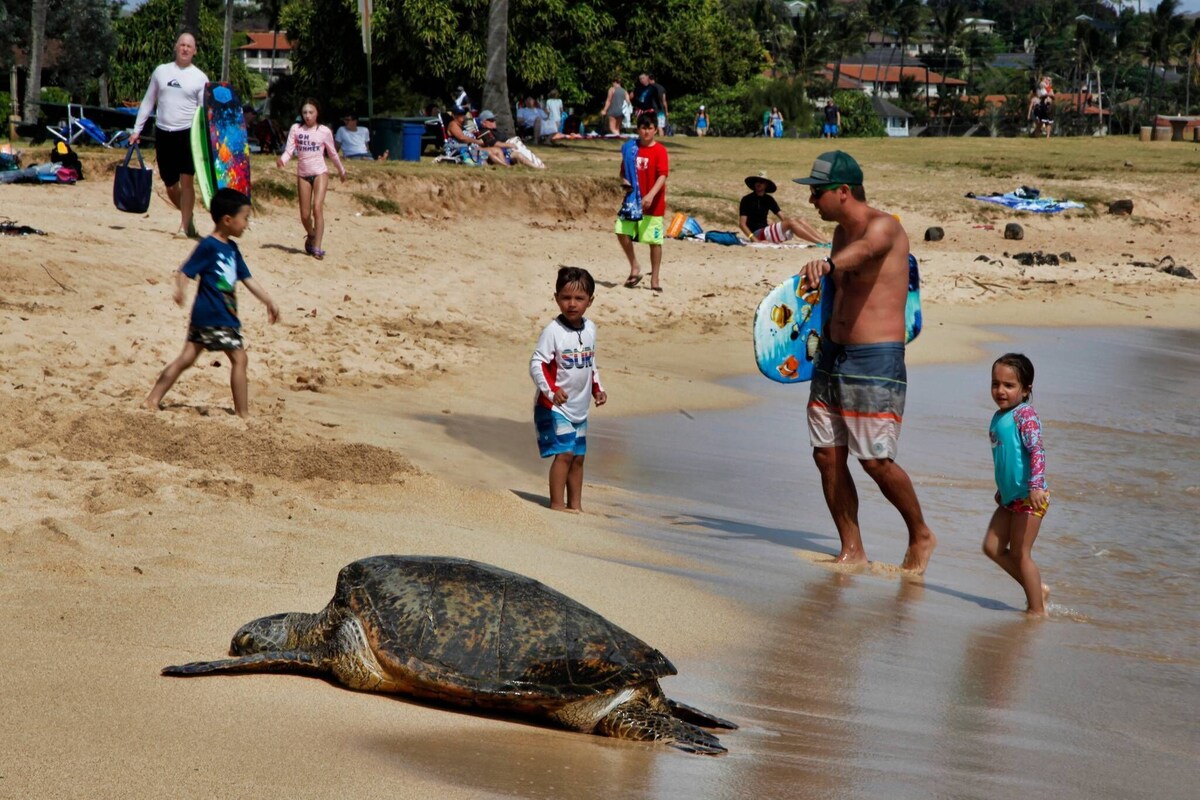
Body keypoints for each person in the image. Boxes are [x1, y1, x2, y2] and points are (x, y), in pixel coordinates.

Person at [793, 150, 937, 574]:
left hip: (874, 359)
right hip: (831, 355)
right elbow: (837, 289)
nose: (811, 200)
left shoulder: (885, 227)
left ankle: (921, 533)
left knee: (874, 460)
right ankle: (851, 547)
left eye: (816, 192)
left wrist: (829, 263)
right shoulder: (838, 235)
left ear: (843, 191)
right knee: (827, 455)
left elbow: (867, 252)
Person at [143, 188, 280, 418]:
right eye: (245, 218)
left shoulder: (232, 249)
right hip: (217, 315)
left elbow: (247, 279)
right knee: (239, 357)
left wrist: (268, 301)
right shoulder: (209, 246)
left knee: (186, 359)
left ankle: (153, 399)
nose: (247, 224)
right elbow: (186, 271)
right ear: (228, 220)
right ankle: (243, 413)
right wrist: (180, 290)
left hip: (210, 316)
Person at [530, 266, 607, 512]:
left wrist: (597, 388)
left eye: (579, 298)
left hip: (580, 407)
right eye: (566, 298)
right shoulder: (553, 332)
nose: (572, 304)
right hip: (554, 406)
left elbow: (590, 362)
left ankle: (576, 506)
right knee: (563, 454)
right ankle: (557, 506)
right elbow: (537, 363)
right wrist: (551, 391)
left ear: (590, 301)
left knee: (578, 457)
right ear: (556, 299)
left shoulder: (591, 329)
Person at [983, 353, 1051, 616]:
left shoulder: (1025, 415)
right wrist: (1003, 490)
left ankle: (1036, 611)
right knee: (992, 547)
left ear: (1026, 390)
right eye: (995, 383)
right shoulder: (998, 416)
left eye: (1009, 386)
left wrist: (1035, 487)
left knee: (1022, 554)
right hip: (1011, 497)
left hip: (1030, 495)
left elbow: (1037, 451)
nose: (1001, 391)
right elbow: (1006, 458)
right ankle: (1036, 588)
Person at [128, 31, 209, 239]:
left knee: (187, 181)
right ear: (176, 47)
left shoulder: (200, 78)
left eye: (189, 46)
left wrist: (205, 139)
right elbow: (148, 101)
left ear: (195, 51)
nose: (185, 48)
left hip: (187, 135)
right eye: (181, 44)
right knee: (170, 184)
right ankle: (188, 217)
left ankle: (183, 226)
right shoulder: (161, 72)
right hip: (163, 132)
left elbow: (203, 113)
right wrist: (137, 130)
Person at [276, 98, 346, 260]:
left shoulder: (324, 131)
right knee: (305, 215)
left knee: (317, 208)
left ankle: (317, 247)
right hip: (303, 174)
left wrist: (341, 170)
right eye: (305, 112)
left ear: (317, 113)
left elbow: (332, 153)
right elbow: (289, 150)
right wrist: (282, 160)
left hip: (320, 172)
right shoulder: (296, 129)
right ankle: (311, 234)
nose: (307, 116)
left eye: (311, 112)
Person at [616, 112, 669, 293]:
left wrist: (651, 195)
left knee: (654, 241)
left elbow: (663, 175)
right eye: (643, 128)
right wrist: (624, 181)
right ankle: (635, 266)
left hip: (653, 204)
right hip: (632, 201)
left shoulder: (660, 150)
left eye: (650, 128)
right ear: (638, 129)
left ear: (655, 130)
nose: (646, 132)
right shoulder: (631, 149)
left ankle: (655, 278)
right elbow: (623, 172)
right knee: (621, 230)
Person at [740, 172, 825, 244]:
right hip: (757, 234)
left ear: (766, 185)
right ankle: (819, 243)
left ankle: (825, 242)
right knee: (791, 223)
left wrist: (794, 222)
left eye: (761, 181)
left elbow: (783, 217)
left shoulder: (768, 199)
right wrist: (753, 239)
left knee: (801, 220)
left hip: (766, 232)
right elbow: (742, 224)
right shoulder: (746, 199)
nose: (758, 183)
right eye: (757, 181)